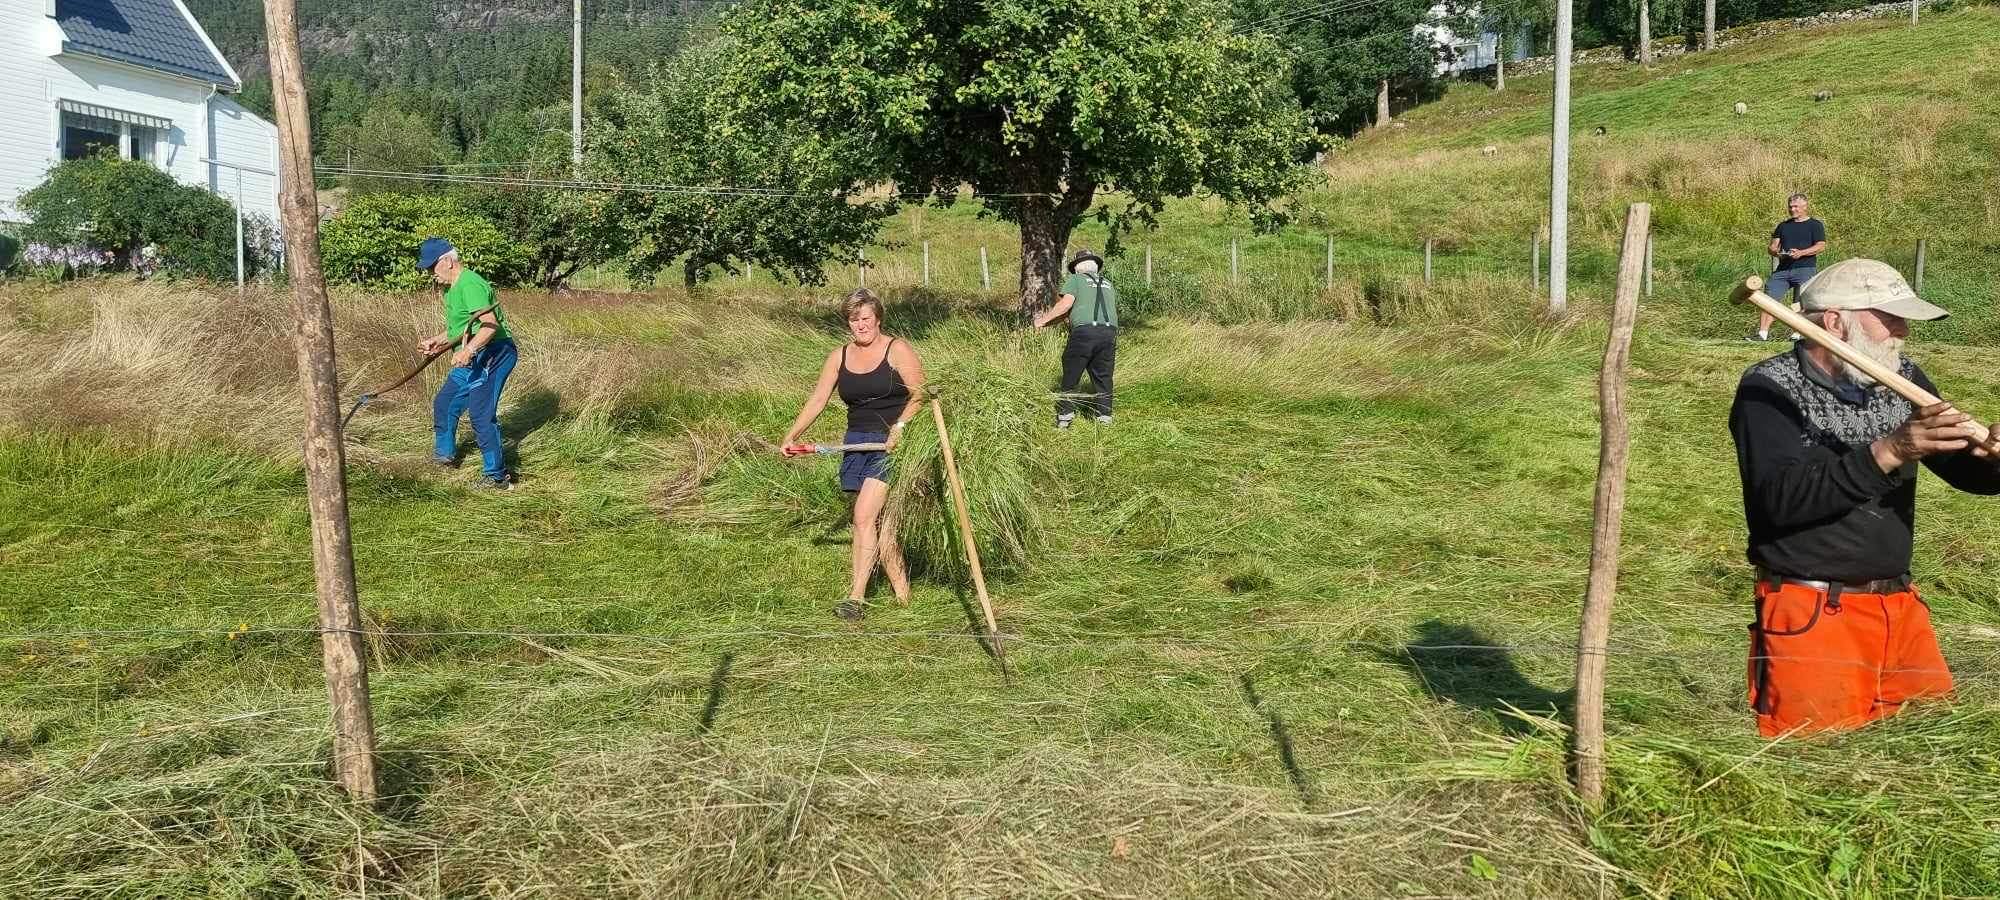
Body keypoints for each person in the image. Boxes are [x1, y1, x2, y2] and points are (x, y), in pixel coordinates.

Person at [1730, 258, 2000, 738]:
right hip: (1813, 613)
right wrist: (1892, 449)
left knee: (1932, 745)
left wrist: (1991, 461)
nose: (1903, 332)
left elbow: (1961, 469)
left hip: (1899, 608)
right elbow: (1778, 502)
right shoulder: (1768, 389)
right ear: (1835, 322)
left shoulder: (1902, 378)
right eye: (1891, 318)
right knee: (1819, 761)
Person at [781, 288, 926, 621]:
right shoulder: (839, 356)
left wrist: (900, 427)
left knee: (862, 517)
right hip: (857, 442)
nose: (860, 325)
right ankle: (904, 596)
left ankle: (855, 598)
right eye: (853, 319)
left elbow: (921, 394)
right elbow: (818, 399)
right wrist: (792, 435)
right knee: (881, 524)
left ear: (878, 318)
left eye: (865, 318)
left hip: (893, 444)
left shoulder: (897, 348)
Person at [416, 237, 518, 490]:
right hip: (473, 355)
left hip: (494, 353)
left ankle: (497, 477)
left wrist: (469, 350)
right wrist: (437, 342)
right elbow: (462, 328)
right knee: (445, 403)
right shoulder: (451, 288)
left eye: (431, 268)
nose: (430, 274)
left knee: (480, 414)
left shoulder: (470, 284)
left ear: (448, 261)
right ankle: (444, 456)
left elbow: (489, 326)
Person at [1032, 248, 1118, 429]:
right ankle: (1104, 419)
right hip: (1109, 333)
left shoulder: (1076, 280)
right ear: (1095, 267)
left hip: (1084, 333)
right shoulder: (1108, 283)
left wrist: (1041, 322)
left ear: (1077, 268)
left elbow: (1065, 305)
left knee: (1071, 373)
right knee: (1103, 376)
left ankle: (1065, 417)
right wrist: (1049, 323)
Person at [1748, 193, 1827, 342]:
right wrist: (1777, 253)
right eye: (1790, 207)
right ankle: (1762, 334)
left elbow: (1821, 246)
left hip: (1805, 268)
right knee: (1769, 299)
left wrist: (1801, 253)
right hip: (1783, 269)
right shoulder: (1783, 226)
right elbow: (1772, 246)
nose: (1792, 209)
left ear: (1805, 206)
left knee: (1799, 302)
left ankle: (1797, 335)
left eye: (1796, 206)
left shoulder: (1815, 225)